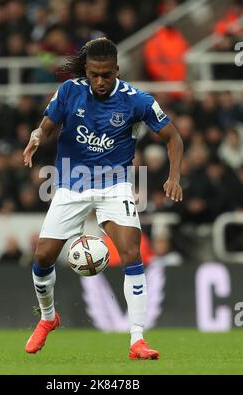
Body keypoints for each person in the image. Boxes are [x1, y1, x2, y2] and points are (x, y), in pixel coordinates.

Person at [23, 38, 183, 360]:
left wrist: (174, 176)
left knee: (130, 251)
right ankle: (48, 317)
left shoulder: (136, 100)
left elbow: (173, 137)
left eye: (106, 75)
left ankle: (137, 339)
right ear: (86, 71)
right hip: (71, 183)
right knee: (43, 257)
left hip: (116, 184)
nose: (99, 81)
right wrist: (36, 137)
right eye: (94, 74)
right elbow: (46, 126)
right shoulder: (70, 91)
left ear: (117, 71)